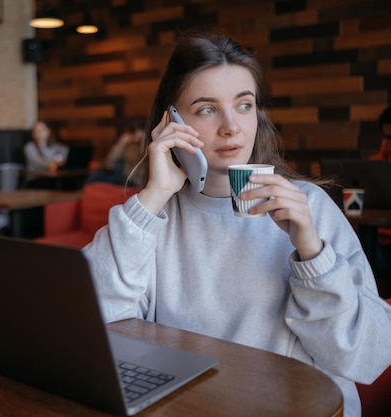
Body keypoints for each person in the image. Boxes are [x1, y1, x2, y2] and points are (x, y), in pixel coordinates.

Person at [82, 31, 391, 417]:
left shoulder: (309, 208)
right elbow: (86, 330)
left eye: (244, 105)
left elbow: (369, 357)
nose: (232, 127)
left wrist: (313, 255)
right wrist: (154, 195)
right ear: (171, 121)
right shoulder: (152, 218)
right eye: (207, 109)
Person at [86, 120, 146, 186]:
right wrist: (121, 144)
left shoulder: (148, 146)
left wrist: (143, 142)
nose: (137, 135)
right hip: (119, 175)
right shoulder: (129, 145)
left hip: (132, 179)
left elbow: (142, 164)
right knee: (95, 176)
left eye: (140, 132)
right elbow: (109, 162)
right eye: (135, 132)